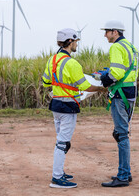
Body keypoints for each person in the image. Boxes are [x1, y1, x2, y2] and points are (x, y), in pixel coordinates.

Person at [42, 28, 105, 189]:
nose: (77, 44)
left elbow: (45, 82)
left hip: (56, 105)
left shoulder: (52, 60)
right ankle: (57, 178)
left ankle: (59, 172)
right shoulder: (72, 63)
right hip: (68, 106)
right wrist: (101, 88)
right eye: (76, 41)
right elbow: (85, 86)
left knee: (61, 141)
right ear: (70, 42)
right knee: (62, 143)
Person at [95, 20, 139, 187]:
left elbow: (117, 72)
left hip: (120, 94)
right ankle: (125, 173)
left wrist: (104, 79)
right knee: (121, 133)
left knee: (121, 135)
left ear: (115, 32)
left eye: (106, 31)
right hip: (130, 93)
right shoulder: (130, 46)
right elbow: (126, 69)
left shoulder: (116, 47)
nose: (105, 35)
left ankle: (122, 176)